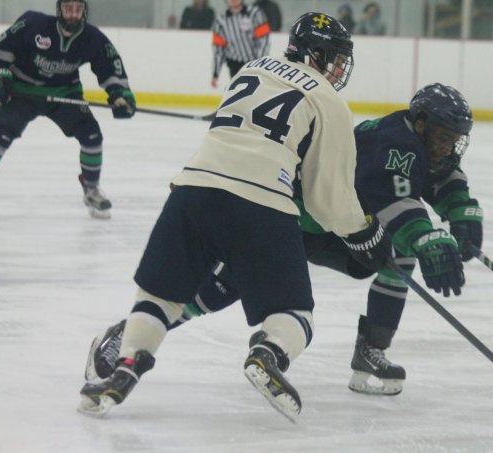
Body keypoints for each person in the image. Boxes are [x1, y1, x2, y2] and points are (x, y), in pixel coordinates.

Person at [78, 12, 393, 422]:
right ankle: (268, 353)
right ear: (314, 54)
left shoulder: (251, 67)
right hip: (261, 204)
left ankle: (124, 370)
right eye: (333, 58)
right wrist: (366, 234)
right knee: (296, 315)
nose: (337, 69)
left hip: (192, 190)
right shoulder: (328, 100)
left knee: (160, 298)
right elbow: (327, 201)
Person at [84, 83, 482, 399]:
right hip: (298, 219)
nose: (448, 148)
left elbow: (442, 178)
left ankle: (370, 350)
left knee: (398, 254)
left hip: (341, 227)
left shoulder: (420, 144)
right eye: (444, 137)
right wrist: (428, 234)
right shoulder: (396, 143)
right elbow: (392, 199)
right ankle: (135, 331)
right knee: (226, 286)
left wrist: (462, 213)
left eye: (454, 140)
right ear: (421, 124)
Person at [0, 0, 135, 218]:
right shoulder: (33, 24)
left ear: (84, 11)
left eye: (78, 9)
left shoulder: (92, 38)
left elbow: (110, 65)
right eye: (68, 8)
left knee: (92, 136)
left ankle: (91, 190)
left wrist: (120, 95)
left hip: (64, 94)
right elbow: (0, 49)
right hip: (22, 92)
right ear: (59, 10)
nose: (73, 14)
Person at [211, 0, 270, 89]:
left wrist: (259, 64)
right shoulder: (221, 20)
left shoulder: (255, 13)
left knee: (255, 93)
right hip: (234, 65)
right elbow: (218, 50)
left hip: (254, 63)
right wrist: (216, 74)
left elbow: (264, 41)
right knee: (239, 95)